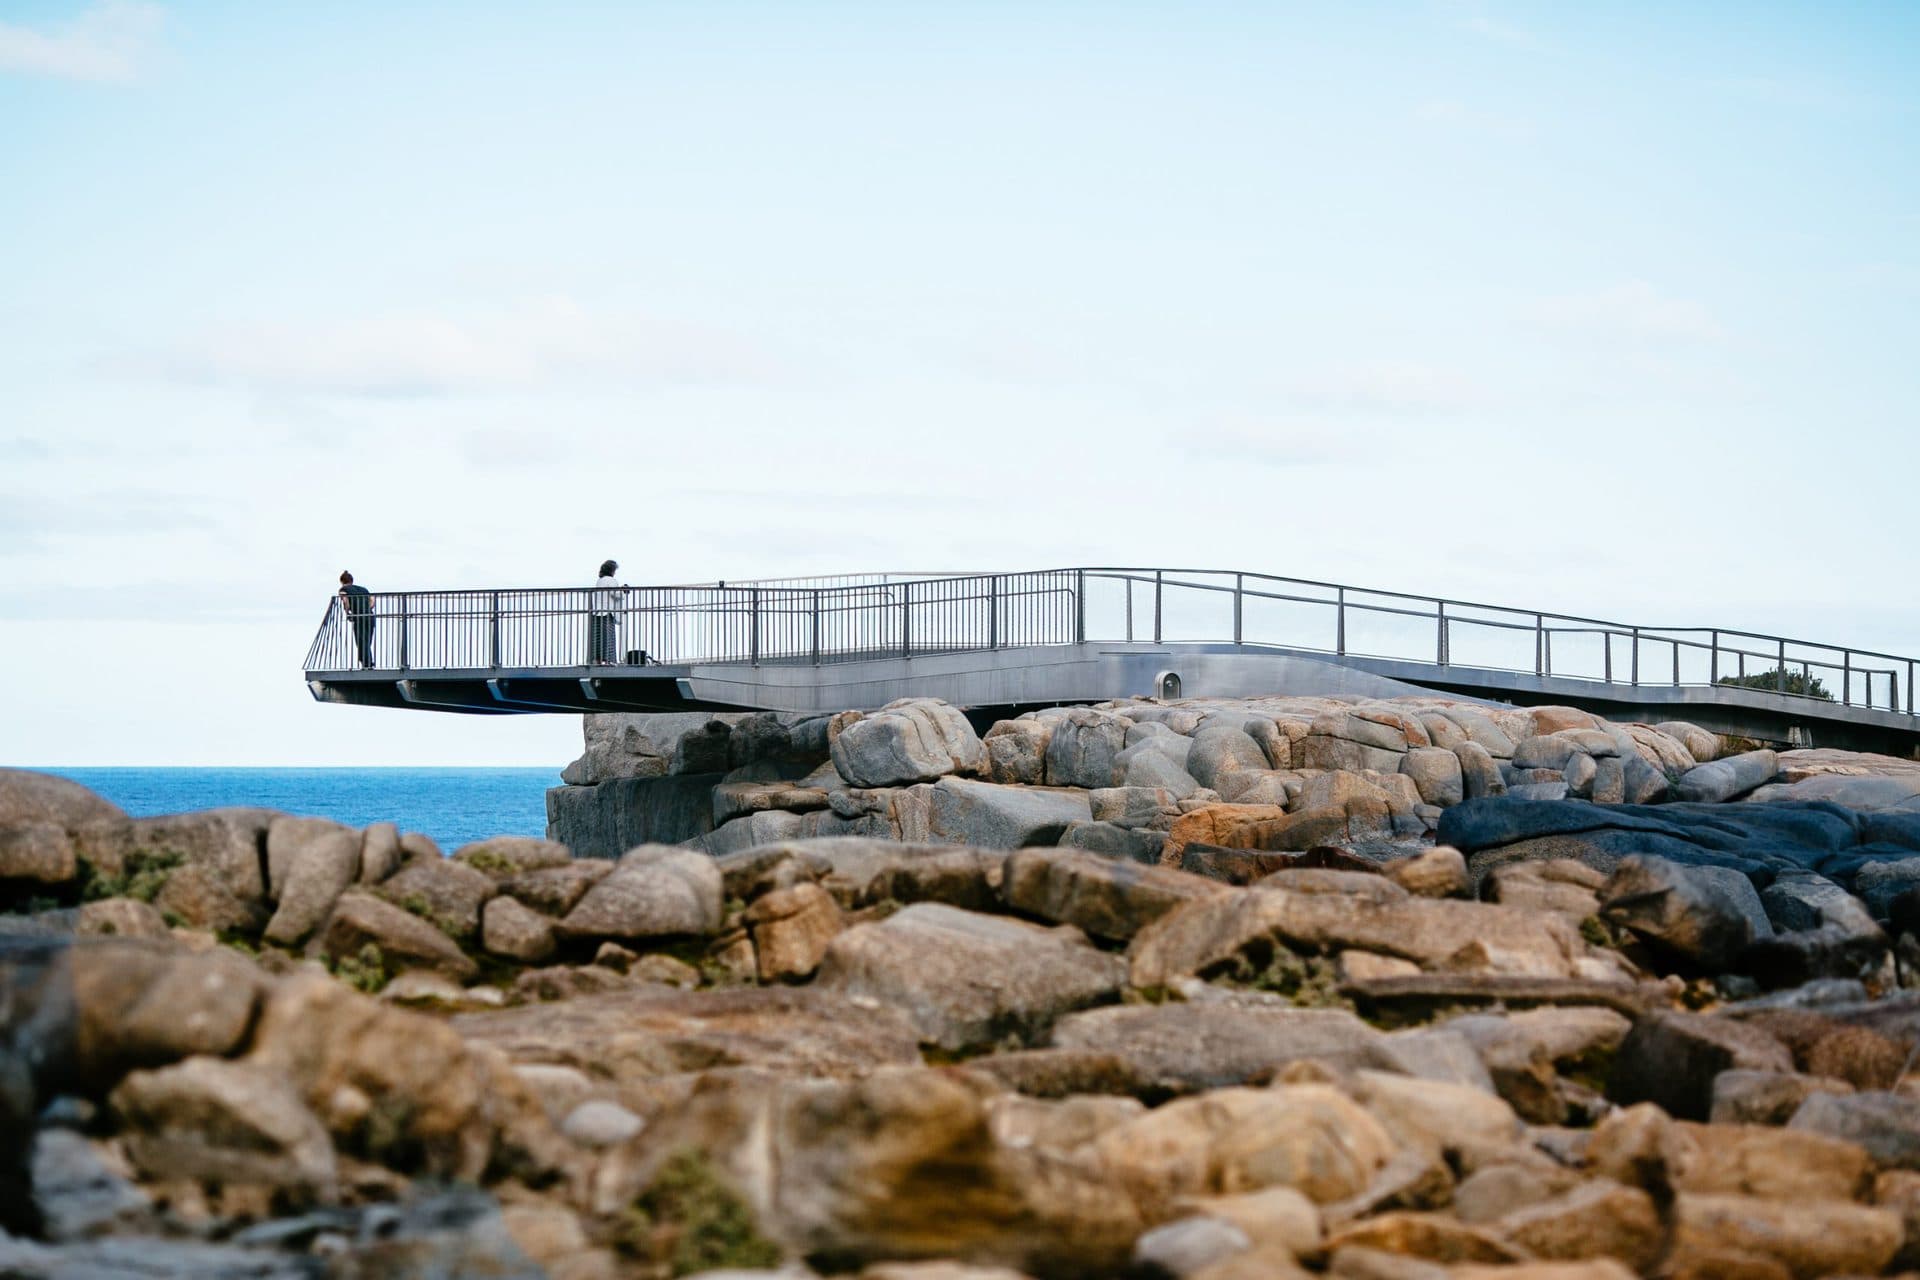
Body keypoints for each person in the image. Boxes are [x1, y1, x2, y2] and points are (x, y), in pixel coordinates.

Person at [590, 559, 626, 663]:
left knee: (598, 639)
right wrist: (623, 591)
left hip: (597, 612)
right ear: (612, 570)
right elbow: (616, 594)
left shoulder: (600, 581)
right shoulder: (611, 580)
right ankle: (608, 661)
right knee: (608, 639)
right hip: (607, 613)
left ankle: (597, 660)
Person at [339, 571, 375, 668]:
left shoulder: (343, 589)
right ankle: (368, 662)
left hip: (359, 617)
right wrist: (367, 608)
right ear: (352, 580)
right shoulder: (363, 589)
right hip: (370, 616)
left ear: (342, 581)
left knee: (361, 641)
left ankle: (367, 663)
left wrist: (348, 613)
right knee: (367, 640)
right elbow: (372, 600)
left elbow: (345, 601)